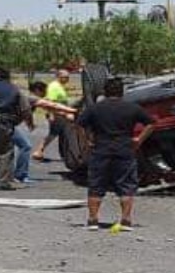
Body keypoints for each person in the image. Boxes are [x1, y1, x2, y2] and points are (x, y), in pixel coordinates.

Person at [77, 77, 155, 231]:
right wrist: (139, 140)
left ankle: (93, 220)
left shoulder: (95, 108)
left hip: (100, 149)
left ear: (104, 91)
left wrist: (86, 141)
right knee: (126, 185)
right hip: (124, 149)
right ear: (122, 91)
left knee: (96, 184)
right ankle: (125, 220)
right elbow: (151, 123)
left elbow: (79, 125)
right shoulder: (132, 107)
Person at [32, 69, 71, 162]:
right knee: (53, 133)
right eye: (65, 77)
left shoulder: (60, 86)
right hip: (57, 114)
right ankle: (39, 151)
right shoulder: (54, 86)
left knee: (61, 133)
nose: (67, 79)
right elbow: (50, 101)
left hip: (62, 113)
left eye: (68, 77)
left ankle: (65, 154)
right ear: (59, 77)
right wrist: (51, 114)